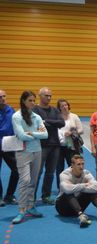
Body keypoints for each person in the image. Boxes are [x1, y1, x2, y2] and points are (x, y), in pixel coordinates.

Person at [11, 90, 48, 224]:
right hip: (22, 152)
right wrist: (36, 133)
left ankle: (31, 206)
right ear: (23, 101)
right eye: (30, 100)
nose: (33, 103)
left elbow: (45, 135)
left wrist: (31, 133)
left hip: (37, 151)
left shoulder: (37, 117)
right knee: (25, 180)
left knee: (33, 181)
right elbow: (21, 136)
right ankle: (21, 209)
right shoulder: (16, 116)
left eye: (34, 100)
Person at [56, 155, 97, 228]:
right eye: (78, 164)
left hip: (77, 205)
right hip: (63, 208)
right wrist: (84, 185)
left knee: (93, 192)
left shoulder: (86, 173)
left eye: (82, 164)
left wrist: (76, 187)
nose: (81, 167)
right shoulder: (64, 175)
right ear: (72, 165)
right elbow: (67, 190)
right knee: (68, 193)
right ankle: (81, 215)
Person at [33, 87, 65, 204]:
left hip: (55, 145)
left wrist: (47, 121)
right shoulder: (35, 109)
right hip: (41, 145)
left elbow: (61, 123)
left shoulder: (55, 110)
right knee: (37, 172)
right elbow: (38, 125)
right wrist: (51, 123)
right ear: (40, 96)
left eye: (50, 96)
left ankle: (46, 195)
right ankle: (32, 197)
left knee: (50, 172)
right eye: (46, 95)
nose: (49, 98)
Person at [56, 99, 84, 189]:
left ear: (68, 106)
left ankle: (72, 184)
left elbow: (81, 130)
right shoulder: (57, 117)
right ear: (59, 108)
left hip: (71, 146)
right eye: (62, 106)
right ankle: (60, 187)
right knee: (59, 168)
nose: (64, 107)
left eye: (66, 105)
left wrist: (72, 133)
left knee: (72, 166)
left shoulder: (74, 116)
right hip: (59, 147)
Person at [0, 89, 19, 206]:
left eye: (4, 96)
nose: (2, 99)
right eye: (0, 97)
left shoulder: (10, 110)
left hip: (8, 145)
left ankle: (9, 195)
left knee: (17, 171)